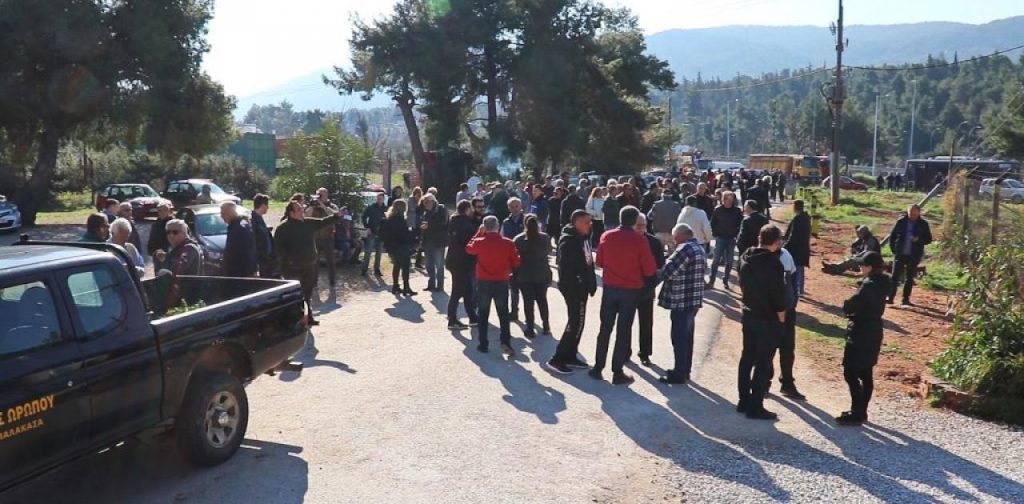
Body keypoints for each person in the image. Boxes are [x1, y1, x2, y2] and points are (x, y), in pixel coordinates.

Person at [590, 206, 657, 385]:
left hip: (610, 288)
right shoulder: (640, 240)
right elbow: (649, 269)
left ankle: (598, 367)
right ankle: (617, 370)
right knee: (623, 330)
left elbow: (600, 262)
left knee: (605, 329)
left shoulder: (607, 236)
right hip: (631, 290)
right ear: (635, 221)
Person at [737, 224, 789, 420]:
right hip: (767, 319)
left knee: (746, 358)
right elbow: (779, 296)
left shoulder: (745, 256)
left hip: (748, 312)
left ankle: (743, 400)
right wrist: (782, 319)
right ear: (776, 242)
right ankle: (756, 406)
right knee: (763, 362)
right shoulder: (774, 264)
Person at [838, 251, 891, 425]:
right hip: (874, 331)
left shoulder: (868, 286)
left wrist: (847, 305)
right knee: (866, 373)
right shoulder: (884, 283)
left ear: (870, 267)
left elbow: (852, 305)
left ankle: (856, 412)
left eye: (862, 265)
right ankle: (862, 411)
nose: (860, 267)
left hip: (860, 332)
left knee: (850, 372)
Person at [275, 200, 341, 325]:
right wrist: (288, 262)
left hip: (309, 266)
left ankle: (308, 317)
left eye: (302, 209)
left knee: (307, 293)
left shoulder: (307, 223)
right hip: (292, 269)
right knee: (295, 296)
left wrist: (336, 216)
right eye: (299, 210)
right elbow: (279, 249)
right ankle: (295, 321)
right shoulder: (283, 228)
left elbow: (323, 222)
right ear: (291, 213)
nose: (302, 211)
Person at [547, 210, 597, 373]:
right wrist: (580, 282)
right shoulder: (569, 241)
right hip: (573, 289)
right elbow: (566, 268)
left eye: (590, 222)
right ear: (576, 222)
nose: (589, 225)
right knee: (575, 321)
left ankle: (571, 355)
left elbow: (588, 262)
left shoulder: (583, 238)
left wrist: (591, 283)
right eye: (586, 222)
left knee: (579, 322)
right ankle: (558, 358)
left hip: (583, 287)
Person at [657, 223, 706, 384]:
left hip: (681, 301)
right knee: (687, 338)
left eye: (676, 237)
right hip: (693, 300)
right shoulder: (699, 248)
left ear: (682, 236)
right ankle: (685, 370)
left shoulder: (684, 249)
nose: (675, 241)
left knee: (679, 338)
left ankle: (679, 373)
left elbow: (668, 272)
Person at [466, 215, 521, 356]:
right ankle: (505, 342)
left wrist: (479, 233)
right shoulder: (508, 243)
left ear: (485, 227)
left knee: (483, 314)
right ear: (498, 226)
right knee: (503, 314)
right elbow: (516, 262)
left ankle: (483, 344)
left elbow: (468, 248)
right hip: (501, 281)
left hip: (483, 281)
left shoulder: (479, 242)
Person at [775, 245, 806, 400]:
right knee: (768, 348)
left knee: (787, 349)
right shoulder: (762, 258)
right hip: (771, 311)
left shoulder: (786, 254)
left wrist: (793, 302)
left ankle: (787, 382)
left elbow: (794, 280)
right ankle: (763, 382)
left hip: (787, 310)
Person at [514, 215, 552, 338]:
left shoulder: (519, 240)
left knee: (528, 302)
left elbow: (515, 256)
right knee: (542, 300)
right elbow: (549, 251)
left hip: (525, 274)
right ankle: (546, 325)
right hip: (542, 272)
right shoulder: (545, 238)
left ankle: (530, 327)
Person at [886, 204, 932, 306]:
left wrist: (919, 239)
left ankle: (905, 299)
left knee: (909, 277)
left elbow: (929, 239)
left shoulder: (923, 224)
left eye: (914, 213)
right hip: (900, 253)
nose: (912, 215)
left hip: (914, 254)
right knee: (894, 276)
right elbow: (892, 237)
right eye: (910, 212)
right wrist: (894, 250)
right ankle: (890, 297)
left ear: (919, 213)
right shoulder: (901, 222)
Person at [635, 214, 665, 366]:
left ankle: (645, 353)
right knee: (625, 322)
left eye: (643, 225)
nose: (640, 228)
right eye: (638, 225)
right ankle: (624, 351)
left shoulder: (654, 242)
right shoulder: (627, 240)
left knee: (646, 323)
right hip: (629, 289)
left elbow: (661, 267)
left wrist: (652, 284)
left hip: (647, 289)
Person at [446, 200, 480, 329]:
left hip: (453, 259)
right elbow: (471, 244)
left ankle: (472, 317)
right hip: (462, 262)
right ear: (467, 209)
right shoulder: (466, 225)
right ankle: (452, 319)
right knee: (457, 291)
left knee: (467, 290)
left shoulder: (453, 222)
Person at [381, 199, 417, 296]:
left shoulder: (389, 218)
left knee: (396, 266)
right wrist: (411, 233)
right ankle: (406, 287)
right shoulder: (400, 219)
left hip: (392, 247)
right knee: (405, 267)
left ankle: (395, 286)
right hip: (401, 246)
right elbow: (403, 234)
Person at [708, 191, 743, 289]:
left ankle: (726, 279)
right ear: (723, 200)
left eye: (731, 199)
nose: (729, 201)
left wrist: (736, 234)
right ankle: (712, 280)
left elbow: (741, 224)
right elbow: (712, 223)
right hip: (720, 238)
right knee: (716, 260)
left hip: (731, 238)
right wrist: (715, 234)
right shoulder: (718, 210)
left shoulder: (737, 211)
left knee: (729, 261)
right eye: (727, 199)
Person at [307, 188, 340, 286]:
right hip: (316, 238)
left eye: (321, 195)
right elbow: (306, 215)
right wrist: (312, 206)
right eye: (318, 194)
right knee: (314, 262)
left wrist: (322, 205)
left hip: (328, 237)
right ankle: (314, 283)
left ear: (326, 195)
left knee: (330, 261)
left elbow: (334, 215)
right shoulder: (313, 205)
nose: (320, 197)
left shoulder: (332, 205)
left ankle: (332, 283)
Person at [417, 193, 448, 292]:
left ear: (432, 201)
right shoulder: (426, 212)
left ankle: (440, 286)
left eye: (427, 202)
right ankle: (431, 284)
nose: (425, 205)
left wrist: (429, 225)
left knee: (439, 264)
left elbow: (443, 222)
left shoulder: (441, 209)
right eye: (424, 203)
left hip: (439, 241)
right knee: (429, 264)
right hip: (428, 241)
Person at [502, 197, 526, 319]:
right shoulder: (506, 222)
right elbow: (503, 239)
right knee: (513, 288)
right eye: (512, 207)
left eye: (516, 206)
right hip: (511, 259)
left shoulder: (527, 220)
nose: (514, 209)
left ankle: (529, 315)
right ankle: (514, 311)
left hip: (526, 259)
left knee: (527, 290)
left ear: (520, 206)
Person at [783, 199, 812, 297]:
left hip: (796, 248)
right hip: (803, 247)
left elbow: (793, 235)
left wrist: (786, 246)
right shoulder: (806, 218)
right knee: (800, 269)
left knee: (795, 269)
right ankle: (801, 290)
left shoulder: (798, 219)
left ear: (796, 207)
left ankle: (797, 289)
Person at [222, 201, 257, 278]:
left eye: (223, 213)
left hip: (240, 274)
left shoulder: (239, 228)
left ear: (231, 212)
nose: (222, 216)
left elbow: (246, 253)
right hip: (238, 273)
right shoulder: (236, 226)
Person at [251, 194, 278, 278]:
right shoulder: (253, 220)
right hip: (261, 260)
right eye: (267, 205)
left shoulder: (259, 218)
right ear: (262, 205)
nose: (268, 208)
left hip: (267, 260)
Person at [736, 200, 769, 271]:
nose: (744, 208)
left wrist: (739, 246)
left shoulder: (746, 220)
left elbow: (742, 235)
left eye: (745, 207)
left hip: (747, 248)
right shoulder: (764, 219)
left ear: (749, 207)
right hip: (761, 247)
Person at [361, 192, 387, 277]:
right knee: (368, 251)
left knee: (379, 252)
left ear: (383, 199)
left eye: (381, 198)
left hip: (381, 233)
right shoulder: (371, 207)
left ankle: (377, 270)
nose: (379, 200)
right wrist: (367, 227)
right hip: (372, 231)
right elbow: (364, 216)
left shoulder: (386, 209)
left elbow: (388, 220)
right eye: (378, 198)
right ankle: (364, 270)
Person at [146, 203, 173, 275]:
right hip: (158, 256)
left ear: (169, 211)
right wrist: (154, 251)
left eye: (165, 210)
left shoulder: (173, 224)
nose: (162, 212)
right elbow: (151, 241)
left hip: (171, 256)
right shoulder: (155, 225)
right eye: (160, 211)